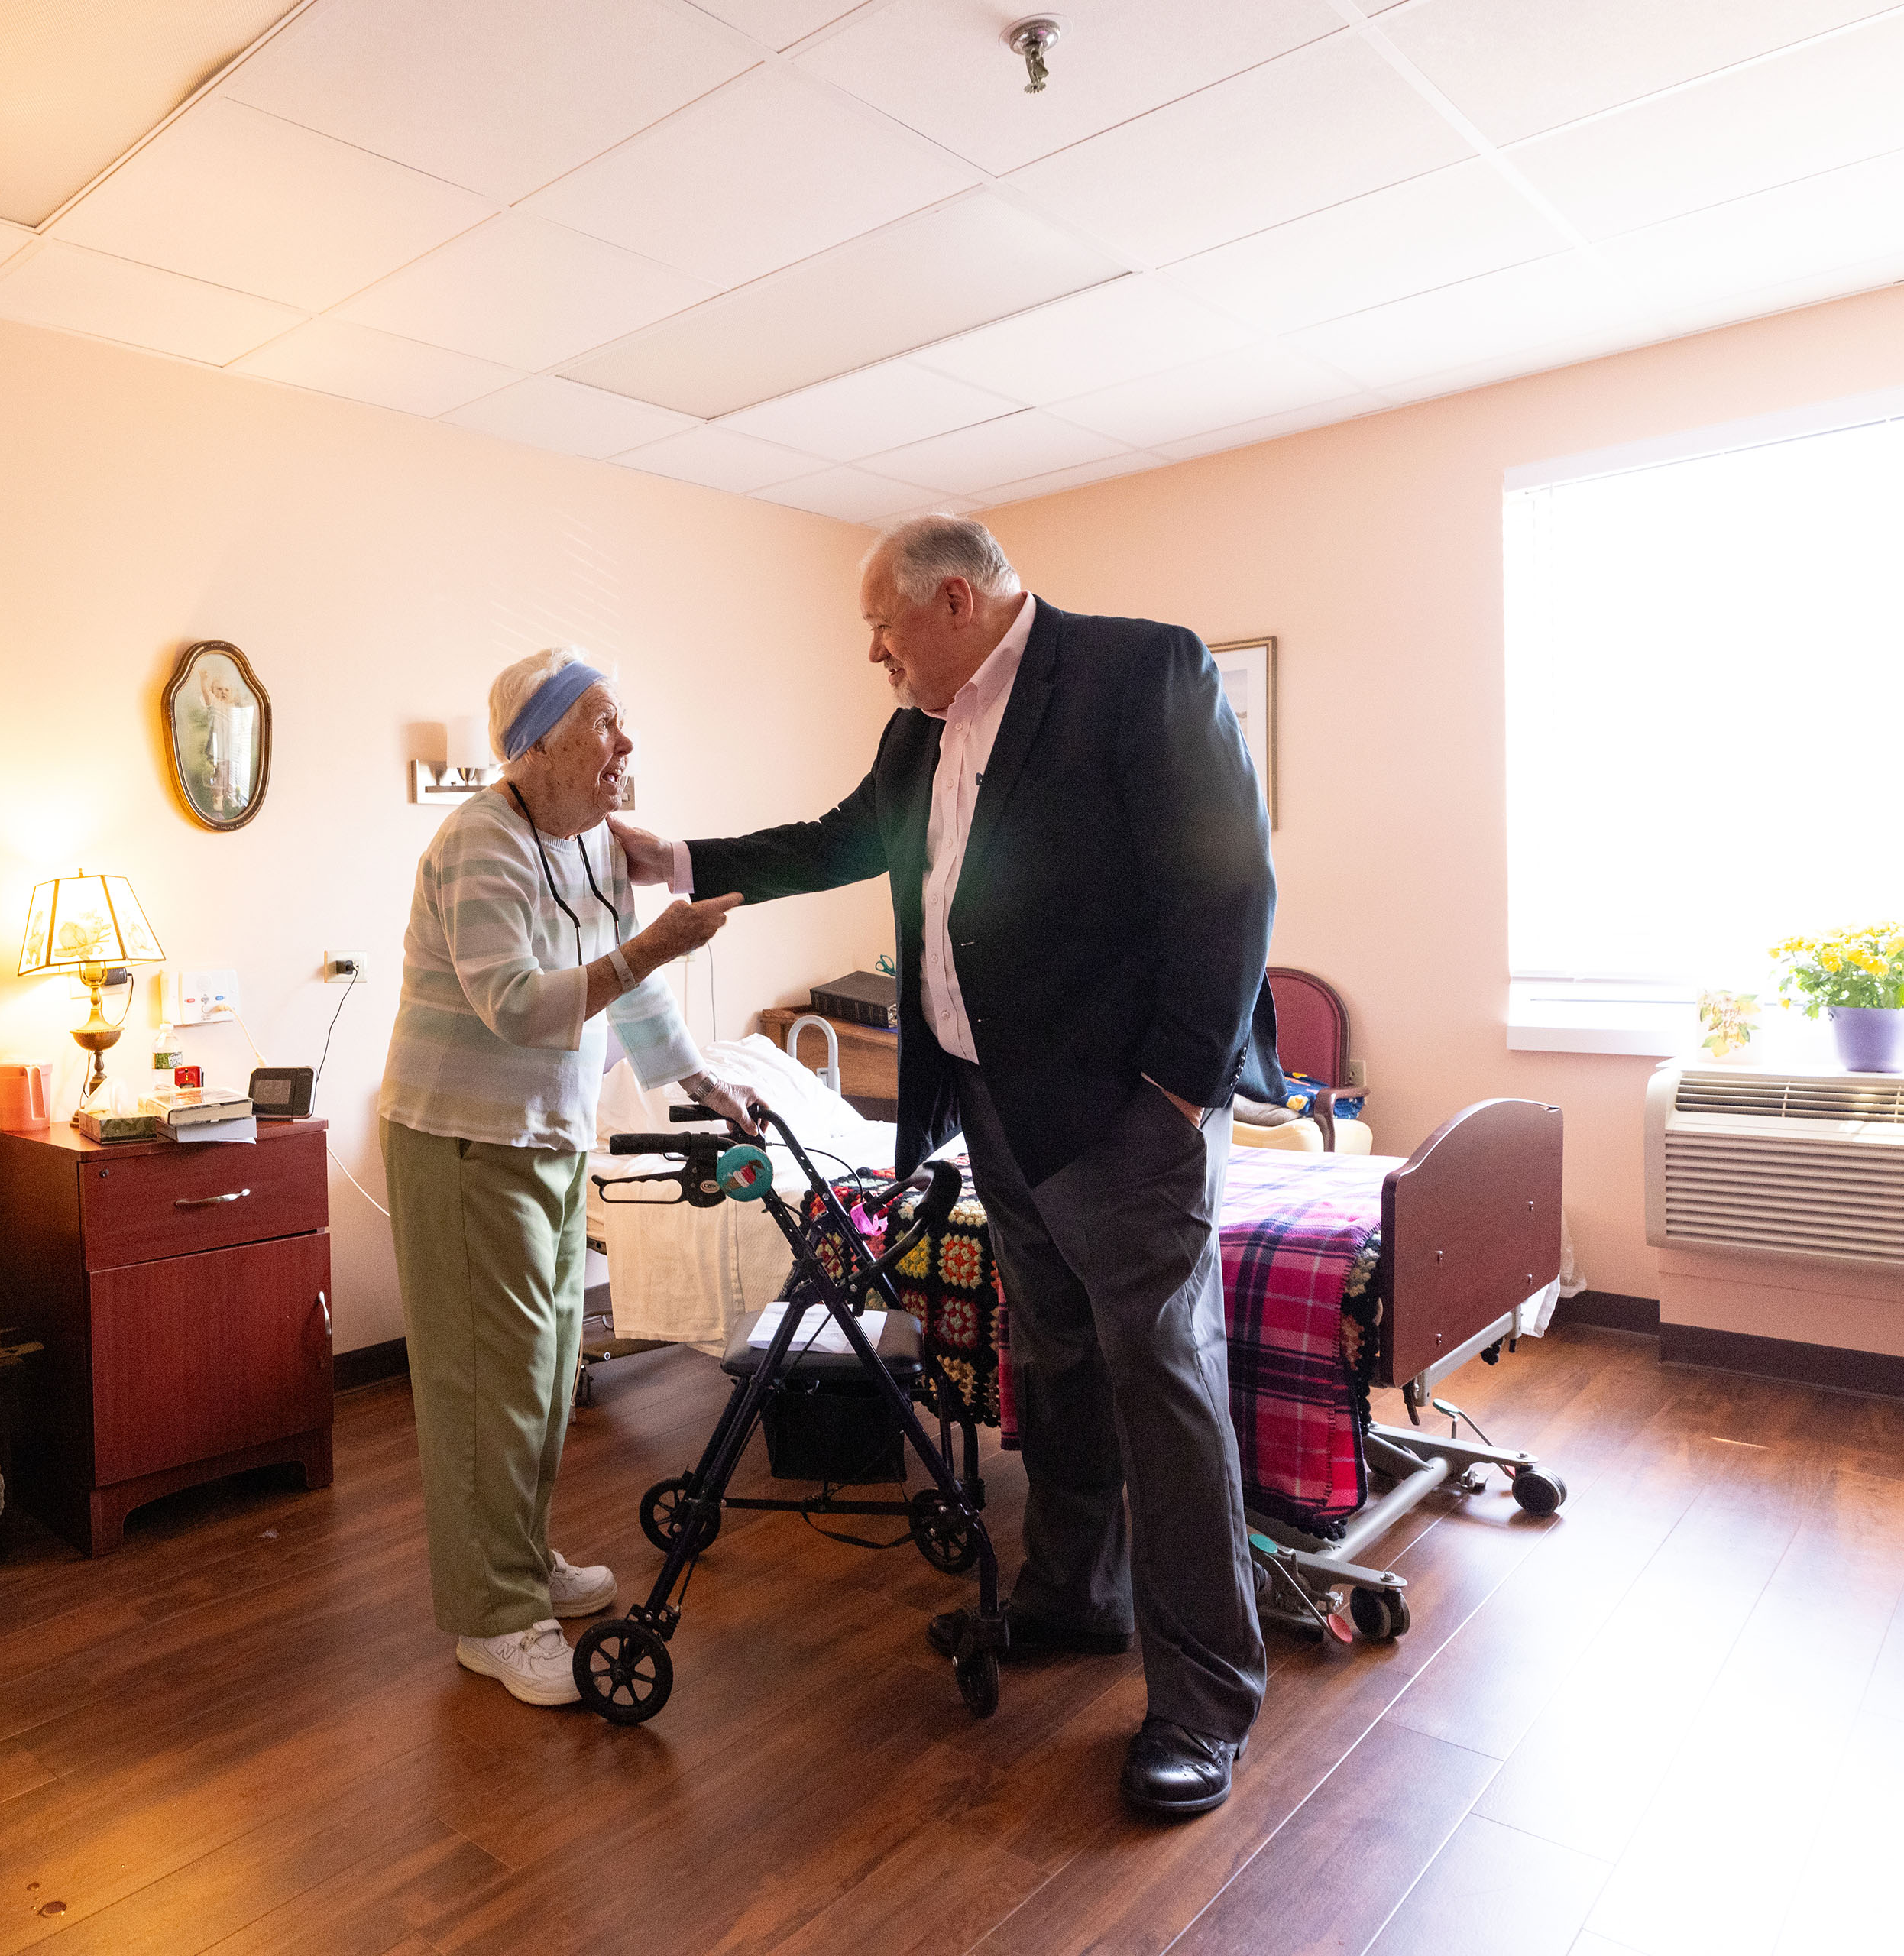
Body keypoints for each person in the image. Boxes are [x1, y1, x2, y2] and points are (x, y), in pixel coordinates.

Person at [611, 515, 1274, 1814]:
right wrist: (679, 861)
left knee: (1165, 1383)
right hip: (995, 1108)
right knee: (1058, 1360)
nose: (873, 653)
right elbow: (839, 840)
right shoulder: (921, 731)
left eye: (883, 628)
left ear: (956, 601)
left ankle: (1206, 1699)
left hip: (1128, 1117)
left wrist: (1179, 1092)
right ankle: (1075, 1596)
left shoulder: (1139, 676)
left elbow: (1230, 889)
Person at [376, 646, 750, 1708]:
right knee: (484, 1382)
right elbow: (519, 1004)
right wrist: (657, 946)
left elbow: (629, 1002)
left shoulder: (589, 850)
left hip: (543, 1134)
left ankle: (519, 1560)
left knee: (541, 1371)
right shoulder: (476, 845)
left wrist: (704, 1086)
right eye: (601, 724)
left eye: (623, 724)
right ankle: (493, 1620)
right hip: (461, 1139)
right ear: (536, 745)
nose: (624, 746)